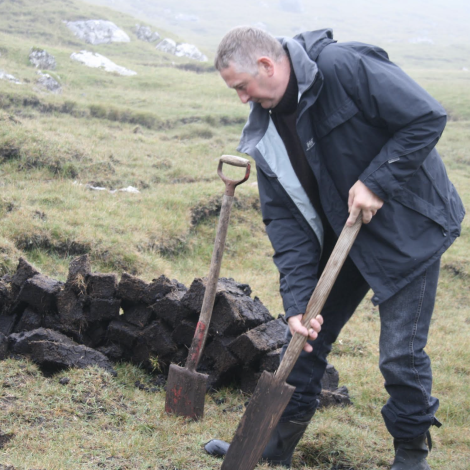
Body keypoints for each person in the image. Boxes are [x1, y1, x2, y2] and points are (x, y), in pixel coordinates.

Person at [204, 27, 465, 469]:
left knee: (400, 354)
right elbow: (285, 224)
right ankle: (273, 446)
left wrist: (376, 182)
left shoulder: (342, 66)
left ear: (266, 66)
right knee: (304, 337)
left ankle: (411, 455)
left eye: (242, 87)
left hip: (408, 228)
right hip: (342, 234)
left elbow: (425, 117)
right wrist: (296, 305)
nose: (242, 100)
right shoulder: (265, 135)